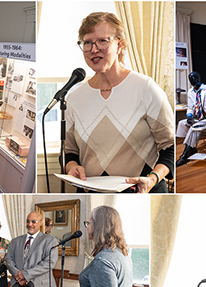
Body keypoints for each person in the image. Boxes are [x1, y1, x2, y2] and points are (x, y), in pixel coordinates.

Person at [64, 12, 175, 193]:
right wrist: (71, 167)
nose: (93, 49)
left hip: (143, 193)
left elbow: (169, 147)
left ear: (119, 45)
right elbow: (71, 152)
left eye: (102, 41)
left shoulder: (145, 88)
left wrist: (152, 179)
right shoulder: (74, 98)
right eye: (87, 42)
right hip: (91, 195)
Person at [175, 71, 206, 166]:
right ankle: (191, 147)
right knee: (182, 123)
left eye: (193, 78)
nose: (192, 81)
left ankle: (184, 155)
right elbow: (190, 106)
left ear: (198, 79)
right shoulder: (190, 91)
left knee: (195, 127)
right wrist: (189, 116)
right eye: (190, 79)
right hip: (200, 117)